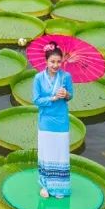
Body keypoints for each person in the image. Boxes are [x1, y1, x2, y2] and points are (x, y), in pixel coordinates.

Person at [33, 42, 73, 199]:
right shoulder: (38, 78)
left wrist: (66, 94)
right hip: (46, 120)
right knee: (46, 152)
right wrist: (53, 97)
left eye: (58, 62)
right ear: (46, 61)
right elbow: (36, 99)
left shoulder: (66, 77)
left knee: (60, 152)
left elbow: (71, 95)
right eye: (52, 62)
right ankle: (45, 185)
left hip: (61, 119)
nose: (55, 65)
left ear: (62, 61)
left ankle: (60, 187)